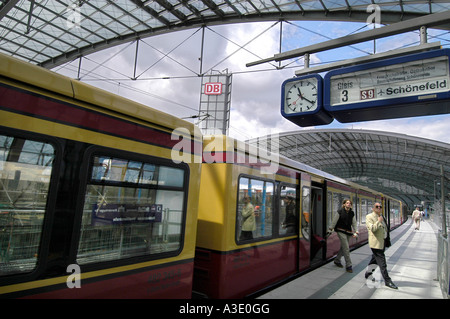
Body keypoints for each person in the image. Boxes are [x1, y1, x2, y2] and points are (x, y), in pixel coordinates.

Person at [365, 202, 398, 289]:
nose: (379, 208)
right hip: (375, 243)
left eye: (380, 207)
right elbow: (372, 229)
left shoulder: (382, 216)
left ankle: (368, 274)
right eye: (377, 207)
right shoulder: (369, 217)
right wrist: (378, 222)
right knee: (382, 263)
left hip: (382, 242)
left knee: (374, 260)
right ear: (373, 208)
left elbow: (386, 228)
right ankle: (387, 281)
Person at [329, 199, 358, 273]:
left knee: (344, 247)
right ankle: (349, 265)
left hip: (348, 232)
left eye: (350, 203)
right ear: (344, 204)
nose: (348, 204)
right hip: (340, 230)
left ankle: (337, 260)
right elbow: (334, 221)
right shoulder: (340, 211)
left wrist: (356, 230)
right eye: (347, 203)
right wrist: (331, 228)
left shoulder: (352, 213)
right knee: (346, 248)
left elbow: (354, 222)